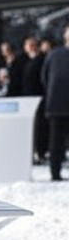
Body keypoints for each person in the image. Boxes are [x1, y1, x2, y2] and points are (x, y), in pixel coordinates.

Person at [41, 25, 69, 181]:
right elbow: (45, 77)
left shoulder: (53, 54)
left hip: (55, 102)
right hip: (57, 103)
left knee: (56, 141)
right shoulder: (55, 54)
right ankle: (55, 172)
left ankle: (55, 173)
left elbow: (44, 78)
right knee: (56, 141)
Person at [20, 36, 48, 164]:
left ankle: (40, 152)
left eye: (32, 44)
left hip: (39, 98)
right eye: (27, 45)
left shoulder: (42, 59)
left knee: (40, 127)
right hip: (27, 98)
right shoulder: (25, 61)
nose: (30, 47)